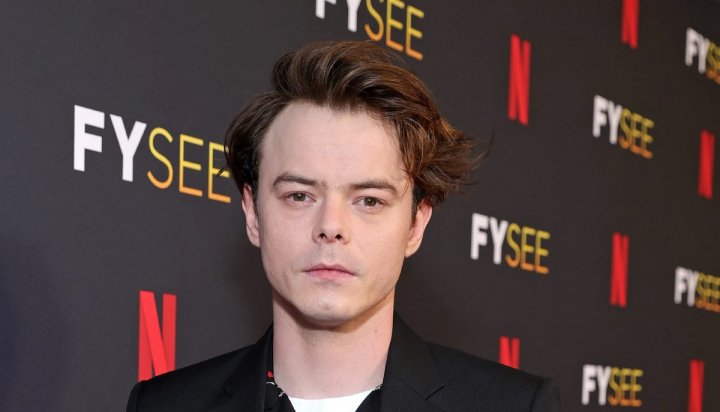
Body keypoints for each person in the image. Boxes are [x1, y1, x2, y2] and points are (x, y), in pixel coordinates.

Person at [126, 40, 560, 412]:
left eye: (369, 200)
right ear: (253, 214)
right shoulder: (164, 405)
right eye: (300, 195)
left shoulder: (513, 406)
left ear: (415, 225)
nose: (331, 226)